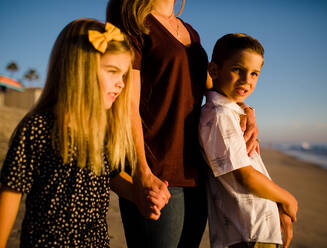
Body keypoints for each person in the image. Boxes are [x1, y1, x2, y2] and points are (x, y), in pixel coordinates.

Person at [0, 19, 165, 248]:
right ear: (79, 70)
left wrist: (139, 195)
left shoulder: (104, 129)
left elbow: (110, 176)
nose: (121, 84)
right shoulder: (40, 127)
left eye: (123, 75)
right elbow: (12, 191)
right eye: (112, 72)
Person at [106, 1, 260, 247]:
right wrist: (142, 173)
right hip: (156, 171)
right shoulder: (135, 25)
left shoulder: (191, 32)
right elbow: (125, 106)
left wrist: (247, 110)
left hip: (196, 173)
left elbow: (216, 90)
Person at [199, 33, 298, 248]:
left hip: (253, 228)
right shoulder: (219, 115)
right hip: (248, 230)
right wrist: (288, 198)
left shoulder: (231, 112)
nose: (247, 80)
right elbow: (244, 176)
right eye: (237, 70)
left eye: (254, 74)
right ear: (214, 70)